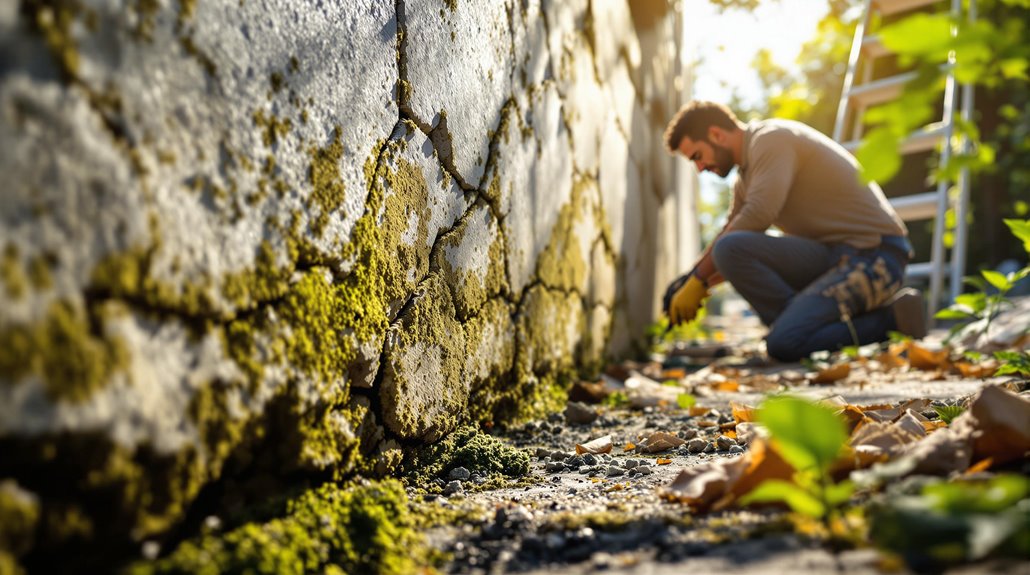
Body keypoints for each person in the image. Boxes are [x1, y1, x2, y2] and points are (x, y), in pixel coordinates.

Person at [662, 101, 925, 361]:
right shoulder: (744, 180)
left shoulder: (771, 139)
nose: (699, 168)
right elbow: (730, 245)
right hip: (833, 256)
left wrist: (699, 277)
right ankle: (798, 328)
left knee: (783, 343)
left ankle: (892, 320)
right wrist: (693, 281)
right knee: (731, 249)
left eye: (697, 156)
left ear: (716, 135)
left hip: (875, 256)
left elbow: (759, 214)